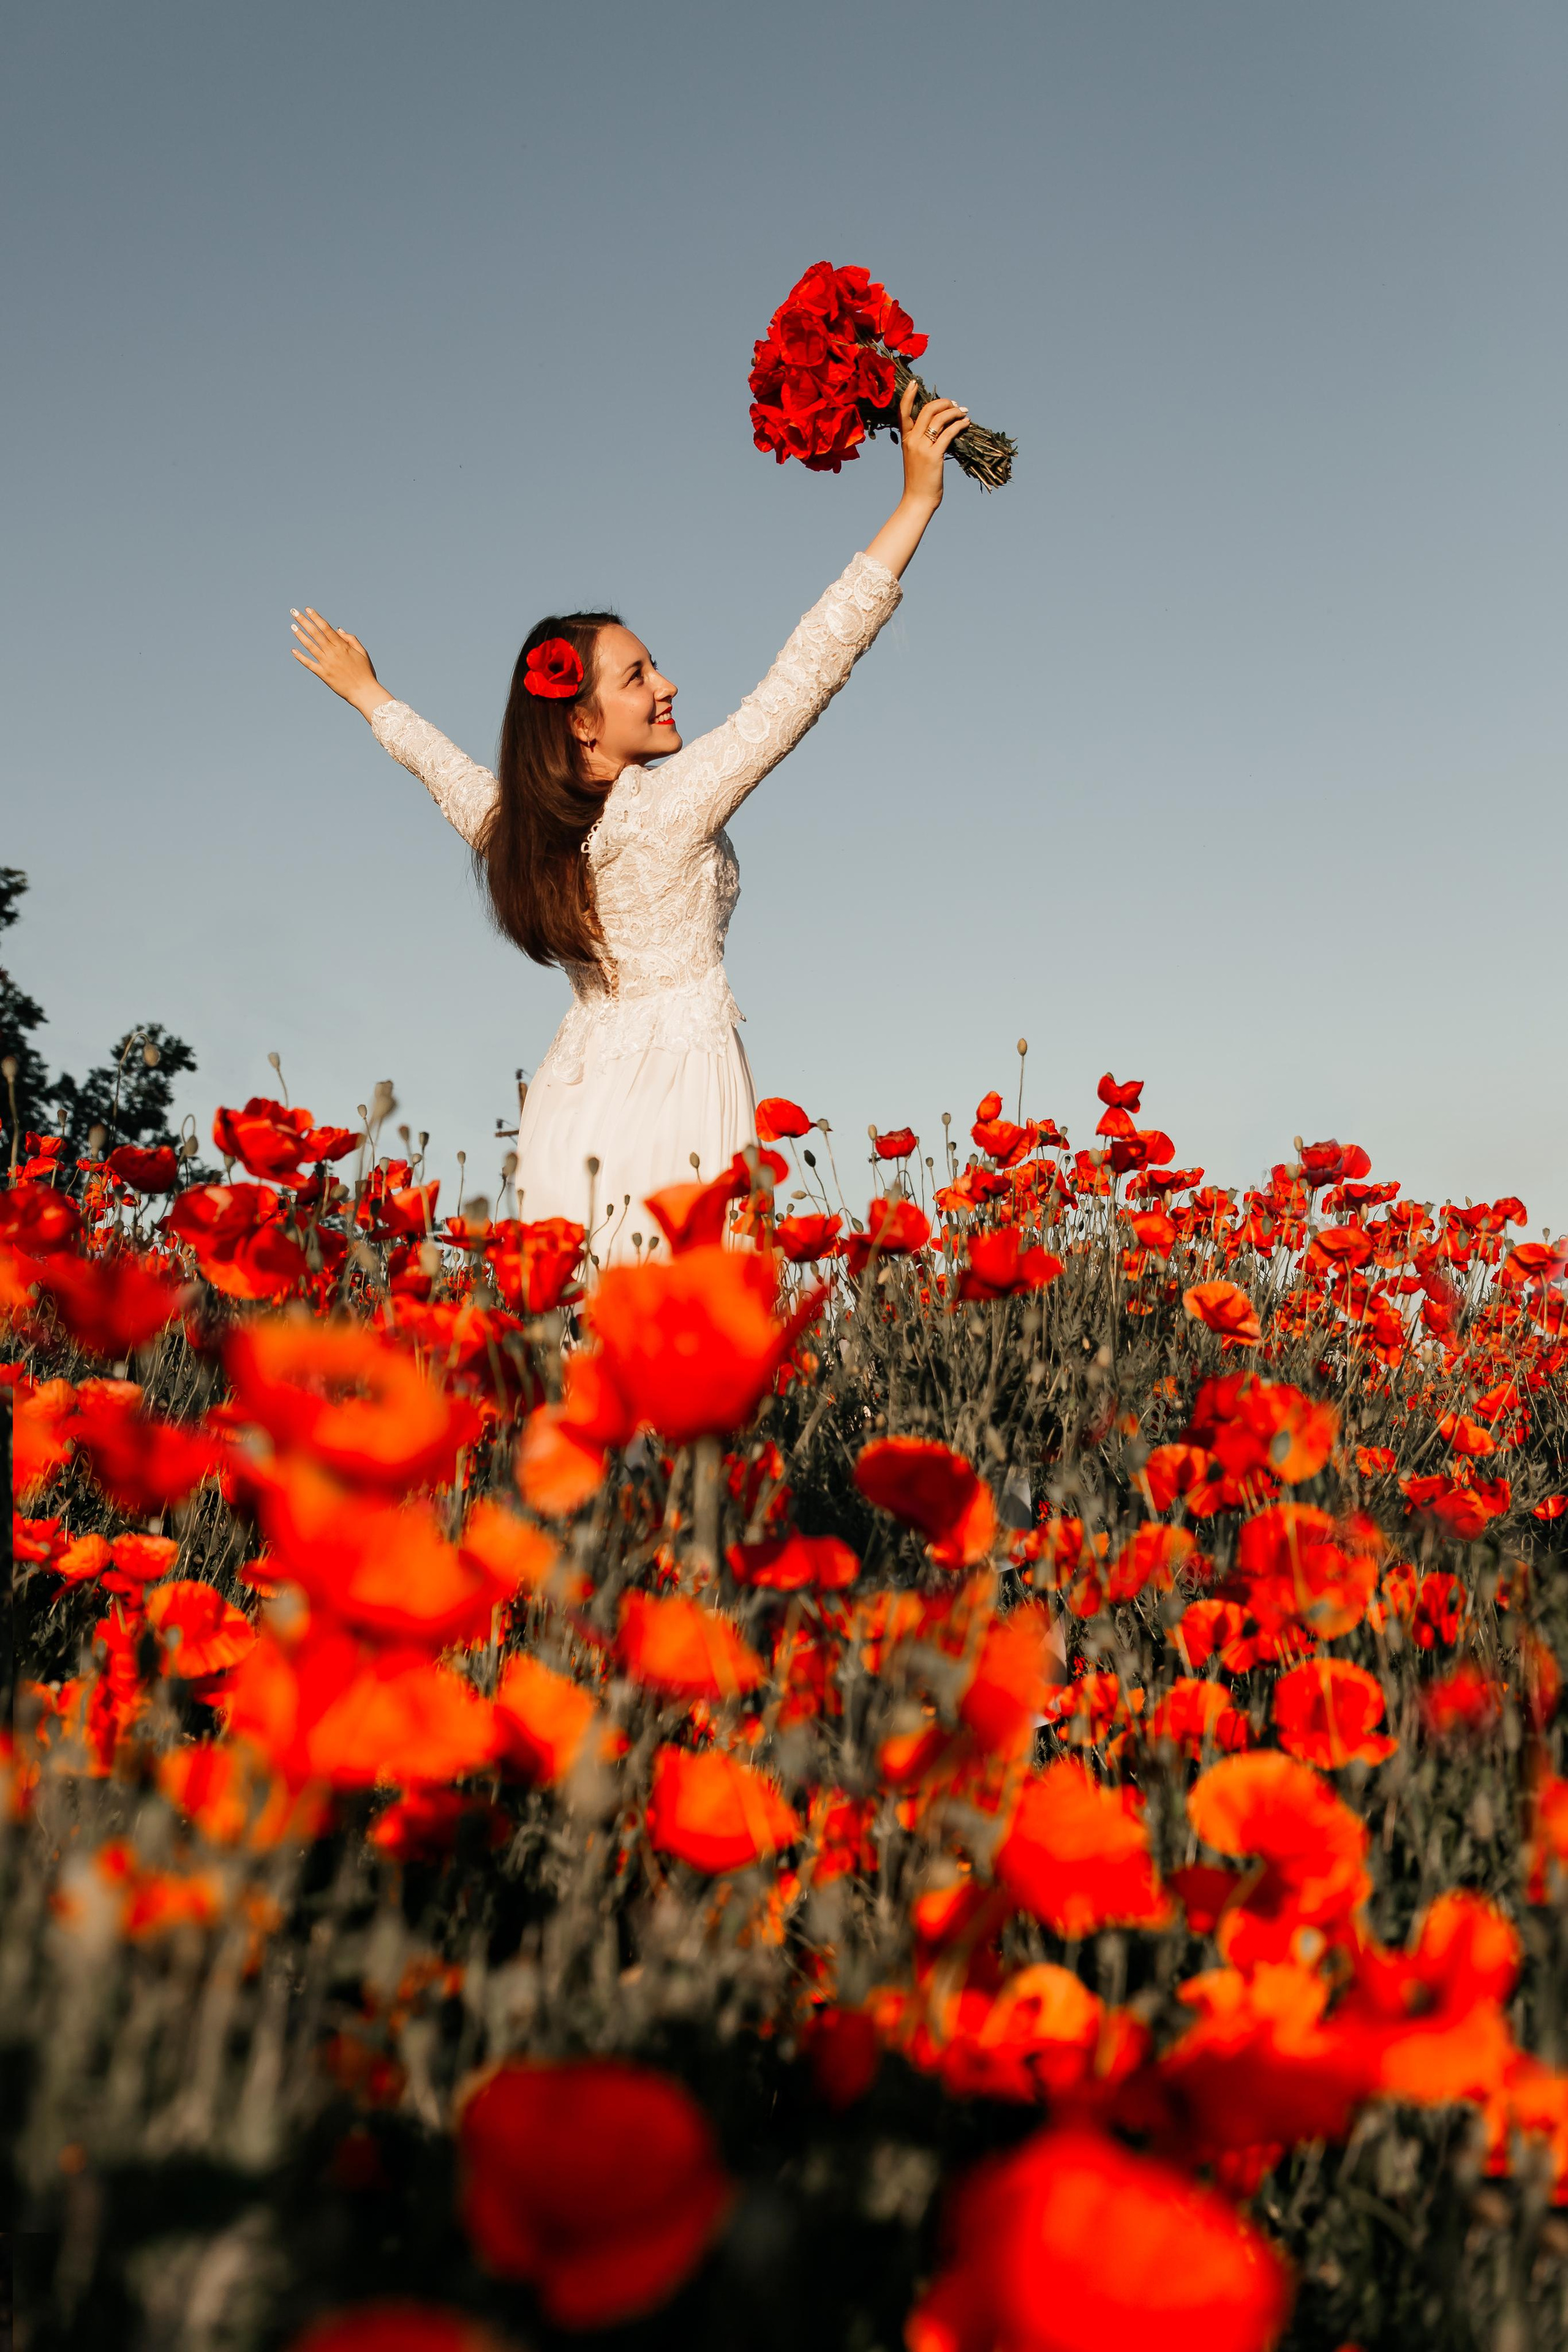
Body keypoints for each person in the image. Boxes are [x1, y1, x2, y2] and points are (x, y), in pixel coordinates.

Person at [291, 380, 970, 1262]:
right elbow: (810, 667)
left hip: (571, 1096)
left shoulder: (517, 831)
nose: (668, 685)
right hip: (682, 1090)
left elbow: (440, 768)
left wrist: (367, 692)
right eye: (638, 676)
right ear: (580, 720)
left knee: (590, 1346)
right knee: (681, 1343)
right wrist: (916, 501)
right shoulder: (667, 809)